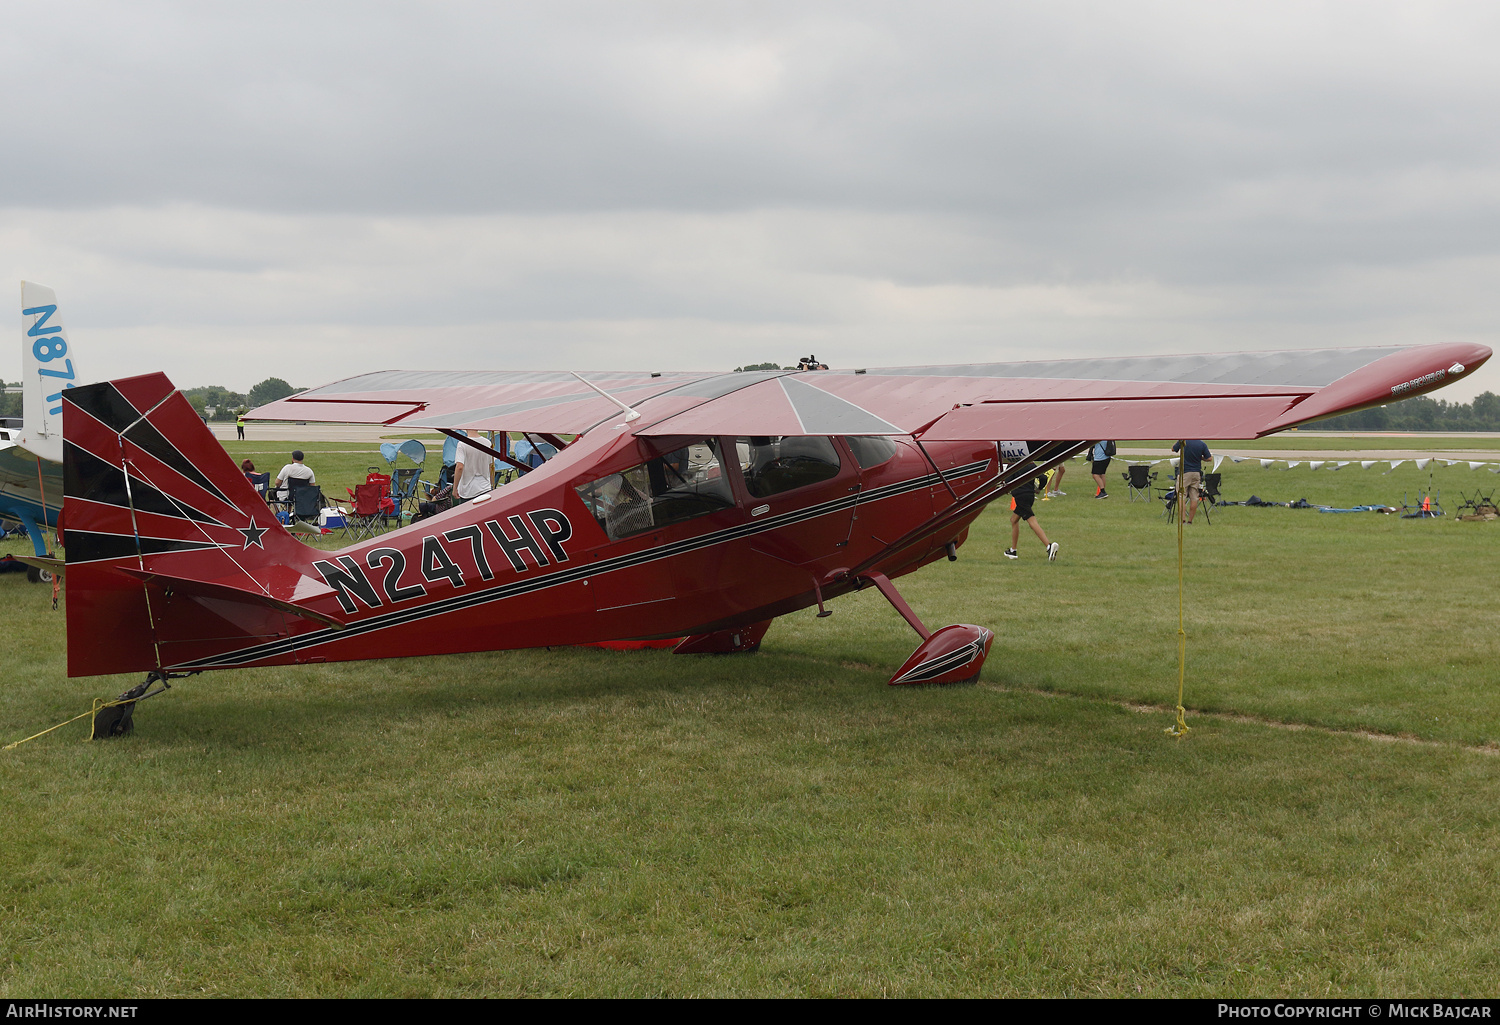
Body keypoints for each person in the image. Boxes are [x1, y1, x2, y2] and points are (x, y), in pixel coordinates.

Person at [1001, 447, 1059, 562]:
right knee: (1013, 520)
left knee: (1032, 522)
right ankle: (1013, 550)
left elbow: (1006, 481)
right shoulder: (1030, 464)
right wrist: (1039, 489)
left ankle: (1049, 546)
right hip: (1030, 496)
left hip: (1020, 497)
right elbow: (1043, 478)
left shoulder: (1013, 465)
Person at [1171, 439, 1212, 523]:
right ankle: (1190, 521)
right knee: (1194, 497)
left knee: (1181, 496)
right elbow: (1209, 458)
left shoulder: (1183, 441)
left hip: (1185, 472)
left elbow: (1173, 449)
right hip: (1196, 473)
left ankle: (1183, 520)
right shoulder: (1202, 444)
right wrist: (1201, 458)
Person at [452, 430, 495, 503]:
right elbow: (491, 466)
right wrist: (492, 484)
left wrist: (455, 488)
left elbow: (459, 467)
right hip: (485, 487)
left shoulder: (462, 444)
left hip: (468, 491)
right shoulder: (487, 443)